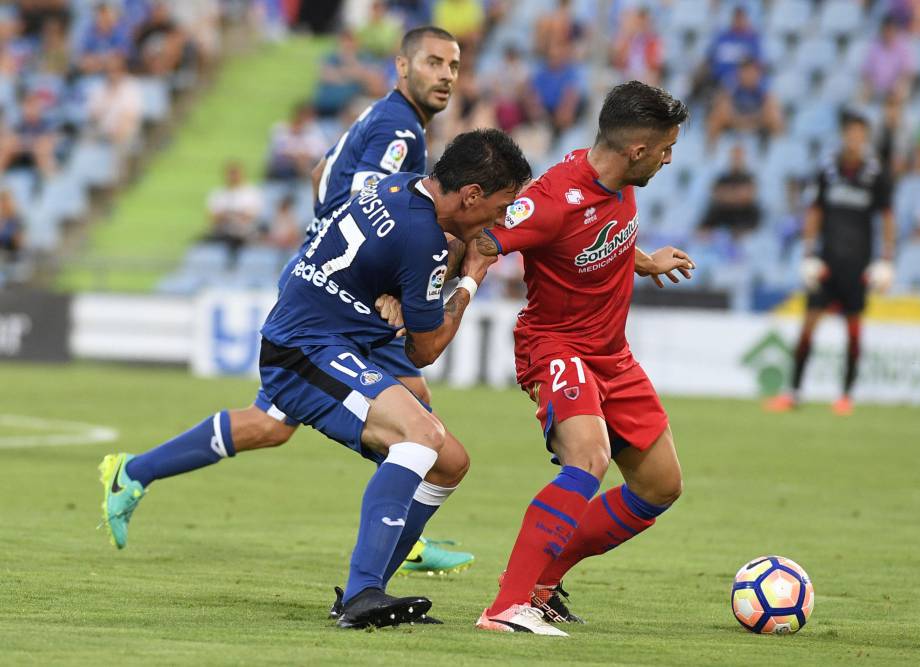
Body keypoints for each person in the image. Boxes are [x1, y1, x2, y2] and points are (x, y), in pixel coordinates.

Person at [102, 128, 531, 628]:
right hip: (303, 352)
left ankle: (368, 588)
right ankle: (362, 594)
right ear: (471, 195)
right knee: (421, 435)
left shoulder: (403, 187)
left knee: (448, 462)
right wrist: (474, 275)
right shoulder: (423, 231)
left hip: (327, 333)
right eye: (502, 206)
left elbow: (328, 181)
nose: (501, 220)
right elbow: (427, 347)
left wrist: (398, 289)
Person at [99, 26, 476, 578]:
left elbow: (322, 172)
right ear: (402, 66)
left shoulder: (381, 117)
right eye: (434, 62)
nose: (445, 75)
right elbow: (373, 203)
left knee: (272, 424)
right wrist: (386, 284)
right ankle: (400, 541)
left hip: (323, 277)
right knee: (415, 412)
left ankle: (133, 472)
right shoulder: (402, 131)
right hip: (346, 294)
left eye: (454, 66)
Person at [472, 81, 695, 635]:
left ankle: (544, 582)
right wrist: (454, 297)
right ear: (637, 150)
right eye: (665, 149)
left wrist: (641, 261)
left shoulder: (620, 180)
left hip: (611, 353)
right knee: (588, 459)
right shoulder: (550, 200)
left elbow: (598, 237)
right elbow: (481, 240)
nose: (669, 159)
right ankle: (505, 606)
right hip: (556, 346)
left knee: (660, 485)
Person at [766, 114, 896, 416]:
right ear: (843, 136)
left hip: (858, 264)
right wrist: (808, 253)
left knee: (853, 329)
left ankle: (846, 396)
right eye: (849, 134)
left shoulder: (876, 175)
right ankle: (794, 392)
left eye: (859, 135)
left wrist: (886, 259)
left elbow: (887, 216)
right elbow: (815, 212)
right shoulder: (827, 170)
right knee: (808, 324)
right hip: (827, 262)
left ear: (865, 139)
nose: (854, 140)